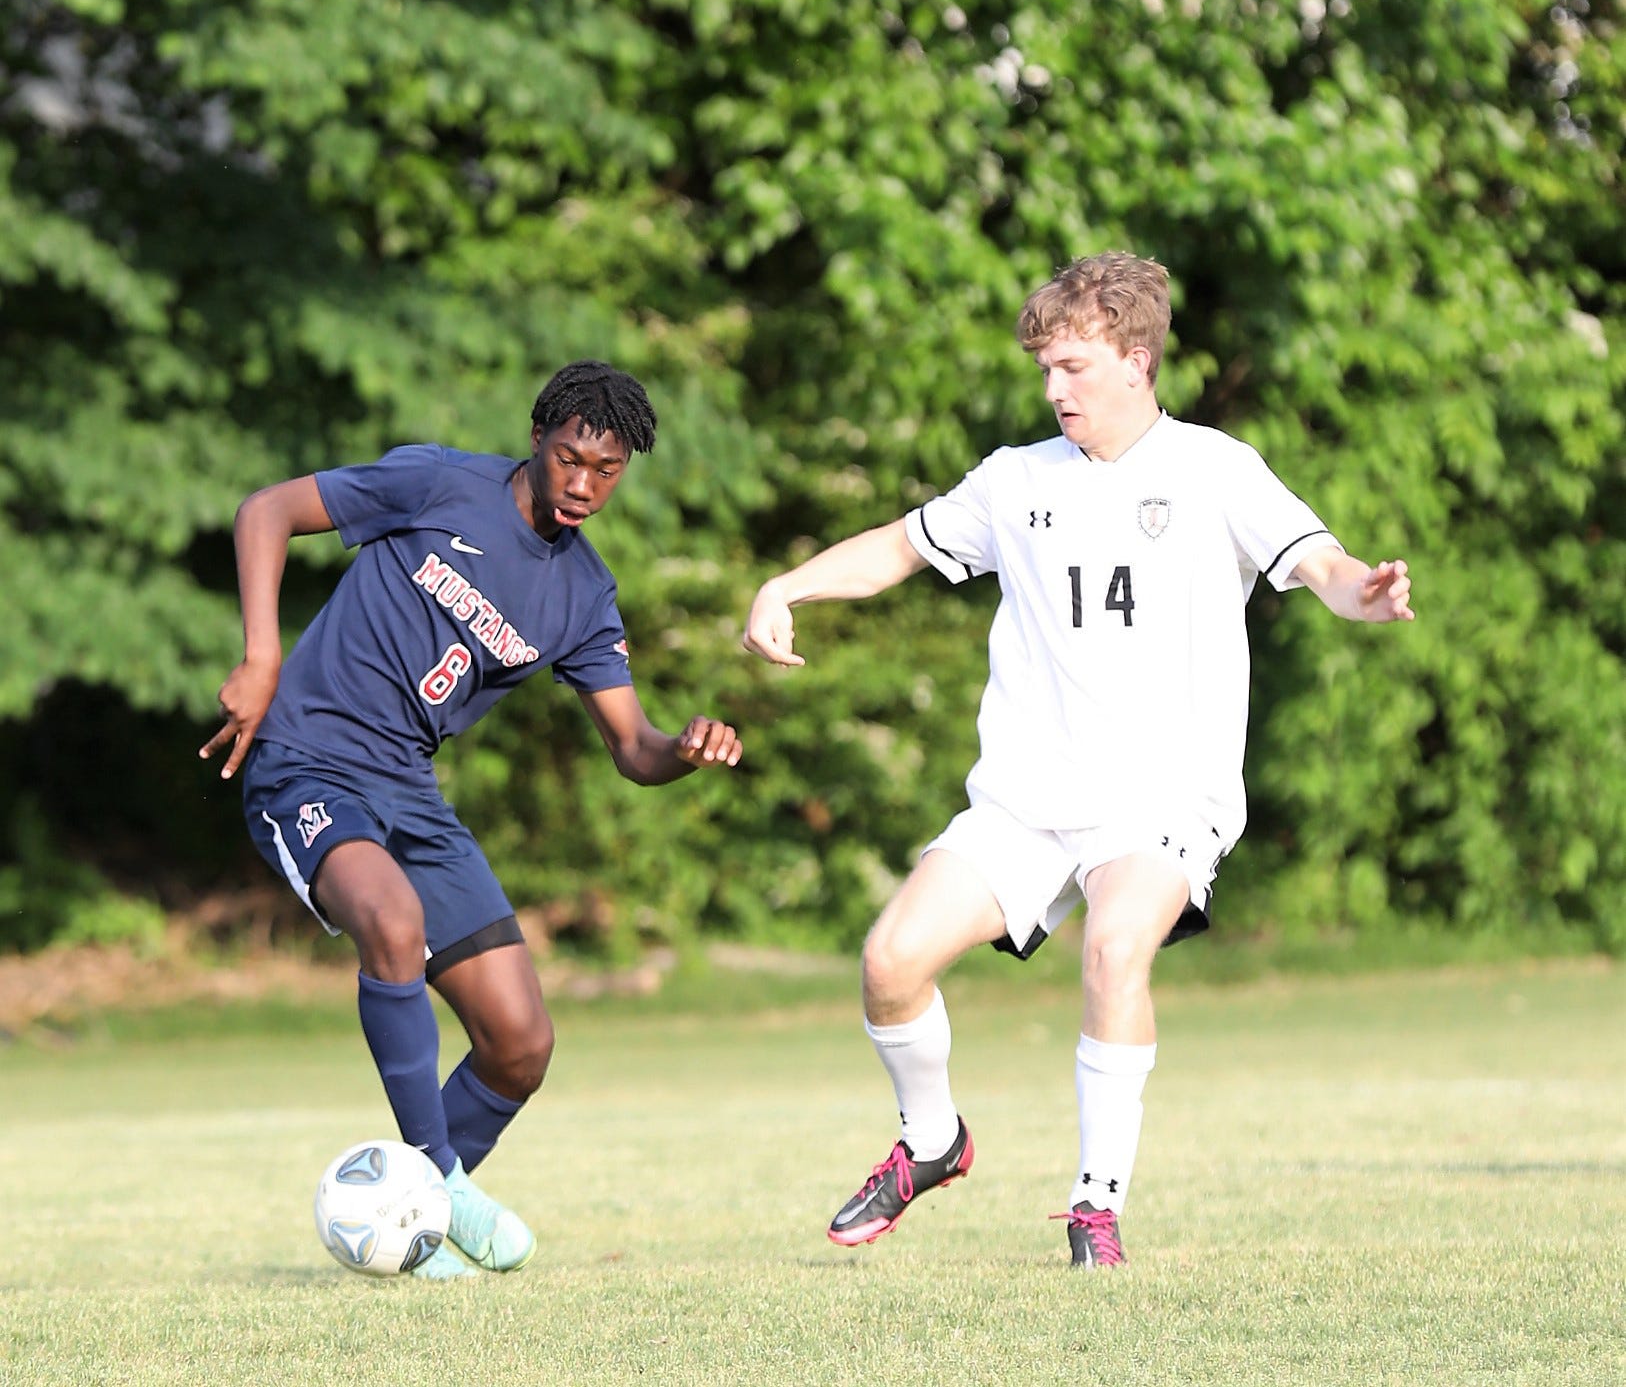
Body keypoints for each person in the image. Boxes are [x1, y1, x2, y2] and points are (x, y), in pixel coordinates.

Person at [742, 252, 1414, 1268]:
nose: (1054, 389)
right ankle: (932, 1142)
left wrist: (1363, 590)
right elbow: (895, 548)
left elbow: (1316, 563)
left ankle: (1095, 1203)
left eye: (1073, 367)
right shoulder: (1015, 481)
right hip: (1026, 797)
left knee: (1113, 947)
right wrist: (783, 587)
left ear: (1137, 358)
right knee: (888, 962)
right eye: (1045, 370)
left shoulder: (1213, 468)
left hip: (1161, 796)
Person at [202, 360, 743, 1280]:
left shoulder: (584, 596)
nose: (582, 484)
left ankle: (403, 1219)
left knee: (522, 1041)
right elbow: (266, 510)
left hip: (408, 788)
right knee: (393, 923)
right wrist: (261, 657)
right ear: (539, 437)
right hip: (305, 758)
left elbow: (632, 747)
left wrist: (682, 752)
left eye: (605, 470)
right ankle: (444, 1184)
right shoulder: (439, 482)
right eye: (570, 457)